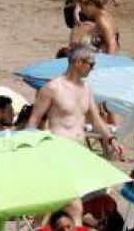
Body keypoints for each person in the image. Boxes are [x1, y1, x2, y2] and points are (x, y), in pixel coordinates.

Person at [28, 44, 124, 220]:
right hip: (58, 151)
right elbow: (34, 120)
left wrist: (111, 140)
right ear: (78, 62)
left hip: (78, 153)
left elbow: (96, 120)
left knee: (55, 205)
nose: (92, 68)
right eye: (91, 64)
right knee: (73, 206)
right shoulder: (52, 88)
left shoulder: (86, 89)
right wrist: (30, 149)